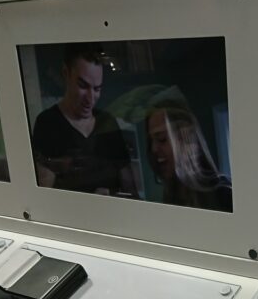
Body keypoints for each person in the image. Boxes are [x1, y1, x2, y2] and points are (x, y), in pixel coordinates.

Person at [31, 44, 137, 196]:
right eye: (82, 86)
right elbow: (43, 196)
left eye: (97, 89)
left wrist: (110, 195)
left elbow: (131, 190)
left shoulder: (107, 122)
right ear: (66, 73)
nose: (90, 98)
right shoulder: (48, 123)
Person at [146, 101, 232, 211]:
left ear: (186, 138)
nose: (153, 149)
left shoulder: (224, 194)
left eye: (162, 139)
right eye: (150, 141)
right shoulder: (171, 196)